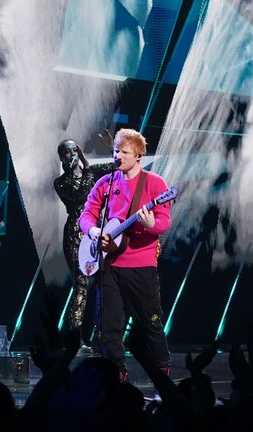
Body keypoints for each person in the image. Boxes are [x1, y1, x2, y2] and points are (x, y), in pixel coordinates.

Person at [79, 128, 172, 381]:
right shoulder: (106, 183)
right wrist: (95, 230)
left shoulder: (155, 183)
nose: (118, 155)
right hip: (108, 265)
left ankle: (161, 369)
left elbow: (164, 222)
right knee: (109, 324)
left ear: (139, 155)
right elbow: (86, 215)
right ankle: (116, 374)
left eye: (124, 151)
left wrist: (151, 223)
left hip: (140, 265)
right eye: (116, 150)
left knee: (151, 320)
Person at [53, 135, 113, 343]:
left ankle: (100, 335)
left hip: (96, 234)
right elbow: (78, 197)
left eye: (74, 150)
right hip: (75, 235)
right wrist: (84, 168)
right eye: (67, 152)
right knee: (81, 285)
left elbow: (117, 166)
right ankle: (74, 339)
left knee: (102, 284)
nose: (72, 154)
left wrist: (113, 147)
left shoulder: (92, 172)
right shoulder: (61, 182)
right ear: (61, 157)